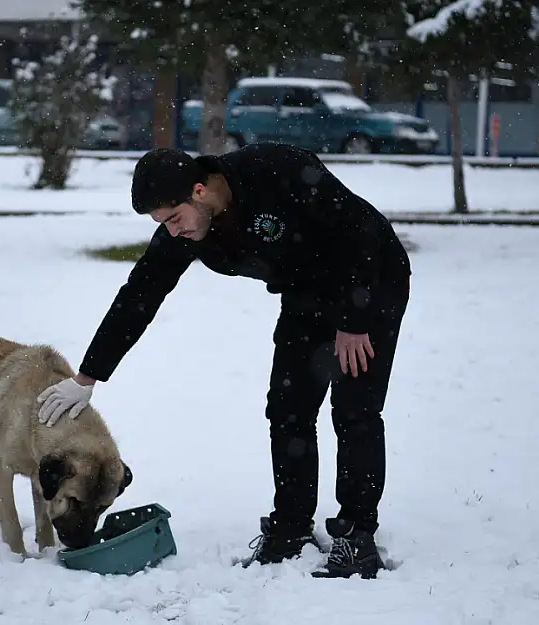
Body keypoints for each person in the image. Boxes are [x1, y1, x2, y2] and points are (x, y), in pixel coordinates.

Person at [35, 142, 411, 579]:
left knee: (355, 410)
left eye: (173, 219)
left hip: (370, 280)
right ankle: (290, 529)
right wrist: (88, 375)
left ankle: (357, 537)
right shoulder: (189, 227)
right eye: (162, 224)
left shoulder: (277, 170)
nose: (172, 232)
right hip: (307, 294)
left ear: (200, 190)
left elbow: (358, 230)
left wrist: (354, 318)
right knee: (289, 408)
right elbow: (140, 294)